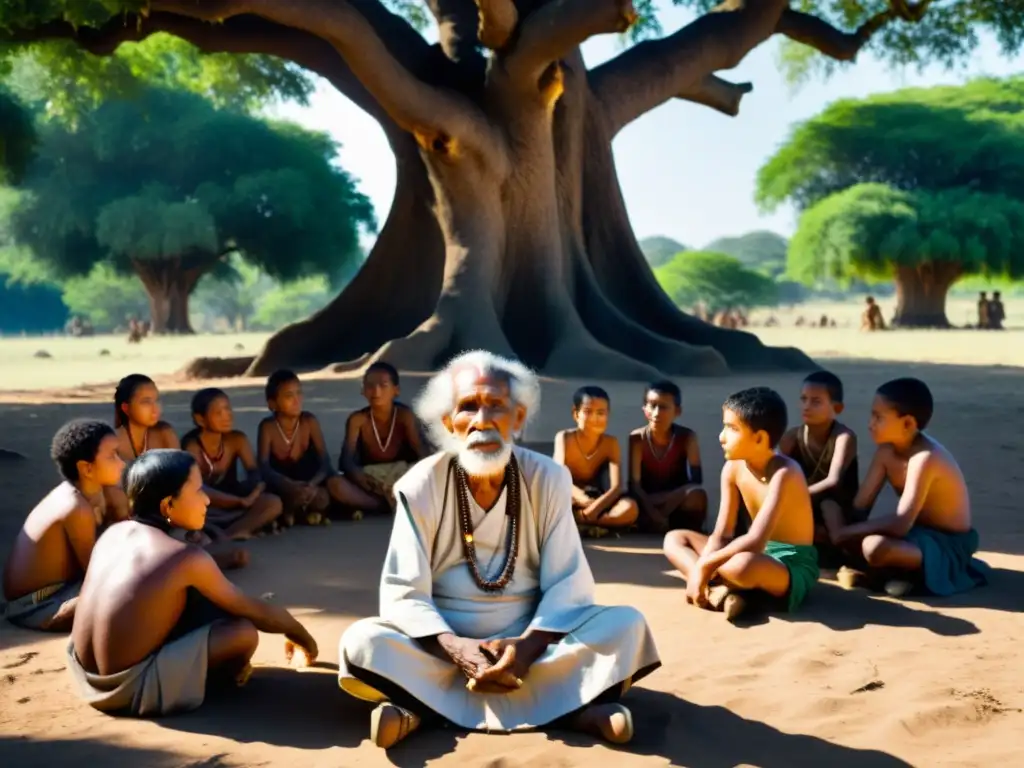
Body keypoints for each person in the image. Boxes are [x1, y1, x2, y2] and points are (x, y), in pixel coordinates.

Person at [337, 351, 660, 749]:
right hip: (443, 645)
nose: (482, 421)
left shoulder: (548, 478)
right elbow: (403, 592)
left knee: (628, 625)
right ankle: (572, 709)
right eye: (468, 407)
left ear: (518, 418)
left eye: (496, 406)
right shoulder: (421, 484)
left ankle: (420, 710)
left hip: (534, 641)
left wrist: (524, 649)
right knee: (362, 641)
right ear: (447, 423)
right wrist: (458, 649)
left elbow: (568, 583)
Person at [66, 449, 319, 717]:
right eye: (198, 491)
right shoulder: (184, 557)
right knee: (242, 633)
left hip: (84, 676)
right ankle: (207, 685)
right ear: (167, 506)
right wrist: (301, 635)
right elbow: (251, 610)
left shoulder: (112, 534)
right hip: (126, 690)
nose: (207, 500)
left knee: (203, 602)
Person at [663, 387, 819, 622]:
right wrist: (706, 562)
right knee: (674, 539)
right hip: (751, 552)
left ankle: (721, 586)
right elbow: (722, 533)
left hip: (788, 564)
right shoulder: (733, 468)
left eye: (732, 428)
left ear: (759, 438)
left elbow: (756, 541)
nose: (721, 436)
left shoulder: (786, 473)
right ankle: (725, 592)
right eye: (724, 426)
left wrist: (705, 566)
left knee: (741, 565)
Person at [831, 378, 991, 597]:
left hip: (947, 543)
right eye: (872, 415)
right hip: (913, 536)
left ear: (907, 424)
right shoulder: (885, 453)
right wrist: (839, 527)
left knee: (874, 547)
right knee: (839, 526)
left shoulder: (925, 458)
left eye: (879, 417)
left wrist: (844, 532)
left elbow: (899, 524)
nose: (870, 423)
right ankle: (893, 573)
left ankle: (905, 578)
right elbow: (860, 507)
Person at [2, 420, 124, 631]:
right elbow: (95, 573)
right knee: (128, 592)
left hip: (66, 588)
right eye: (112, 456)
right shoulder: (75, 507)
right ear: (87, 468)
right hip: (36, 605)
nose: (122, 463)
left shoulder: (97, 494)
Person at [257, 370, 366, 525]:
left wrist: (312, 484)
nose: (297, 400)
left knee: (324, 495)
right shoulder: (267, 427)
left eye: (299, 393)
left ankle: (302, 514)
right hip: (284, 486)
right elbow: (264, 467)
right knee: (275, 498)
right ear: (272, 404)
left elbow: (325, 462)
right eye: (289, 396)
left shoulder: (309, 422)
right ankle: (300, 513)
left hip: (311, 483)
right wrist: (288, 484)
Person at [778, 371, 861, 560]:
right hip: (803, 504)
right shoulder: (792, 438)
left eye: (816, 402)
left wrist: (797, 496)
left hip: (837, 504)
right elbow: (776, 473)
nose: (807, 406)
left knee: (828, 504)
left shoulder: (843, 437)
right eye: (804, 399)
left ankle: (845, 547)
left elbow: (833, 481)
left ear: (837, 408)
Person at [181, 388, 284, 540]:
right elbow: (197, 489)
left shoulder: (237, 440)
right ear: (200, 420)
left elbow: (254, 471)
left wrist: (255, 486)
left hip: (235, 505)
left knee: (273, 503)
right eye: (218, 413)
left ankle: (228, 534)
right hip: (207, 509)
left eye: (228, 409)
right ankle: (233, 531)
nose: (227, 416)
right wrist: (237, 501)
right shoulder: (191, 446)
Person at [338, 362, 425, 515]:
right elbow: (346, 460)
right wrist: (357, 476)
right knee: (335, 484)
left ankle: (392, 501)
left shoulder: (405, 416)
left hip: (403, 478)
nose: (376, 391)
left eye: (383, 385)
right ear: (363, 391)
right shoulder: (357, 420)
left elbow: (423, 455)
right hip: (370, 482)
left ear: (396, 390)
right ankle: (383, 505)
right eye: (370, 386)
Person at [553, 385, 638, 536]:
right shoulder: (565, 438)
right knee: (549, 504)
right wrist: (582, 499)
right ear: (575, 413)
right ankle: (587, 524)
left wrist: (594, 508)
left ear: (608, 414)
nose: (594, 419)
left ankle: (581, 522)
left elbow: (616, 487)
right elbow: (559, 476)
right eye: (587, 412)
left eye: (601, 413)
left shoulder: (610, 443)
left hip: (598, 501)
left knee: (630, 508)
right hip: (570, 497)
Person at [628, 380, 707, 533]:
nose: (657, 413)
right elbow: (634, 484)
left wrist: (666, 503)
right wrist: (652, 511)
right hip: (647, 500)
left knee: (697, 495)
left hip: (675, 499)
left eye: (663, 407)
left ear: (677, 411)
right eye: (652, 405)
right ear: (645, 409)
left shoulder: (687, 437)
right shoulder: (637, 438)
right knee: (628, 504)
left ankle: (678, 527)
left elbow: (696, 480)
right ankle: (655, 523)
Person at [103, 374, 180, 523]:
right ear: (126, 408)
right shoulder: (112, 442)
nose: (155, 408)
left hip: (164, 513)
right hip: (124, 519)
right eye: (146, 402)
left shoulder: (164, 434)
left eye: (156, 400)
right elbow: (110, 495)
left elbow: (183, 478)